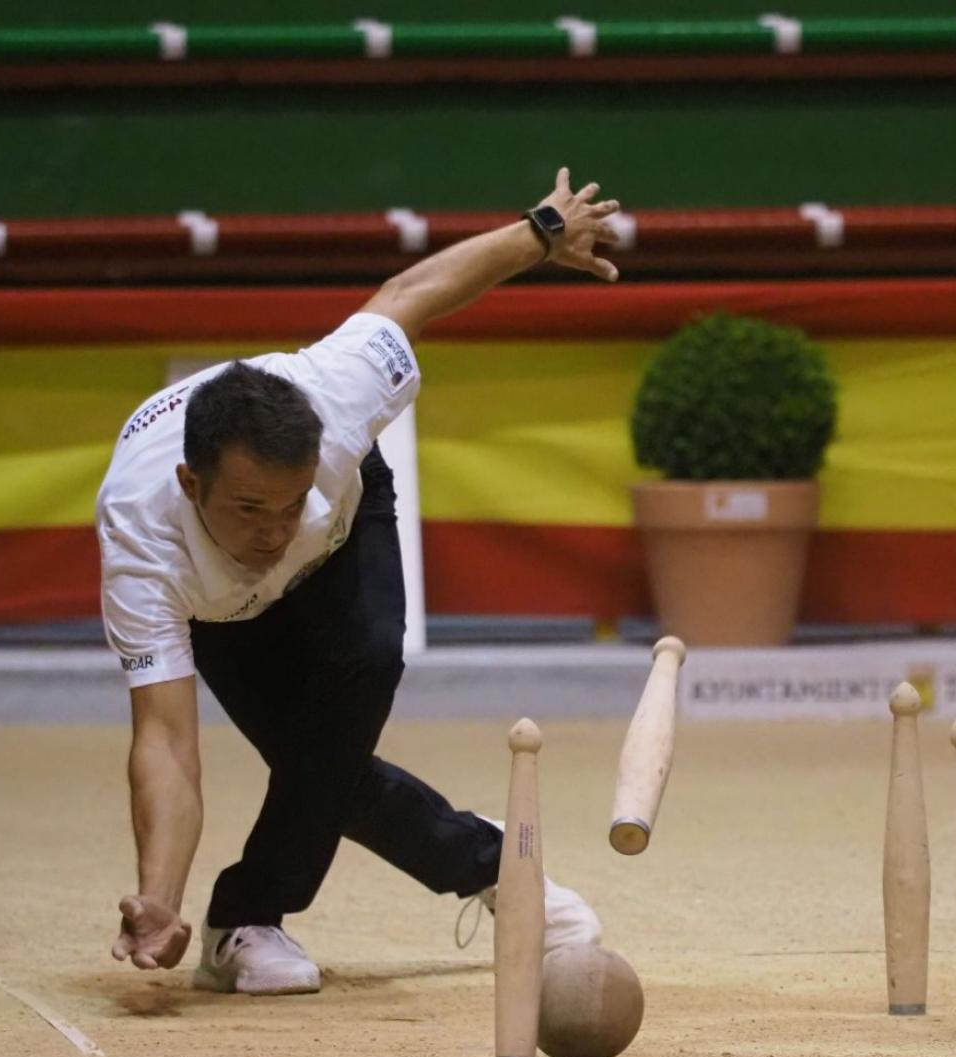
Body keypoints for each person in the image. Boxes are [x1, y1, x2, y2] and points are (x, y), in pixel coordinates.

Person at [100, 170, 620, 995]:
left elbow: (409, 292)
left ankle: (249, 915)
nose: (273, 532)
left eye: (286, 504)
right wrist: (158, 897)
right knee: (320, 758)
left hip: (344, 535)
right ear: (193, 487)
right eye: (248, 510)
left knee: (370, 660)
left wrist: (540, 232)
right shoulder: (143, 544)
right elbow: (164, 742)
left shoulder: (337, 396)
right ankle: (489, 863)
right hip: (224, 612)